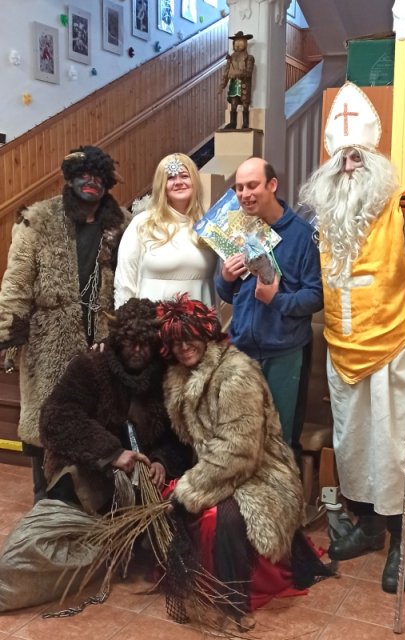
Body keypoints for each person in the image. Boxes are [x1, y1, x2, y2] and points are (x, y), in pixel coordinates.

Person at [299, 82, 405, 593]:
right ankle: (367, 528)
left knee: (396, 450)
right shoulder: (327, 218)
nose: (349, 165)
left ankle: (403, 542)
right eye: (341, 157)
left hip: (396, 348)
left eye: (358, 156)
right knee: (354, 446)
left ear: (375, 159)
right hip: (344, 352)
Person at [0, 298, 190, 613]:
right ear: (117, 338)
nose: (138, 349)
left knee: (97, 557)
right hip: (81, 483)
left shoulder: (165, 379)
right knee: (30, 551)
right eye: (130, 341)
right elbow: (55, 418)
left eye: (145, 342)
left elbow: (177, 438)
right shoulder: (90, 366)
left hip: (127, 504)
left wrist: (161, 461)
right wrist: (112, 453)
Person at [155, 294, 332, 631]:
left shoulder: (236, 373)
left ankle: (234, 605)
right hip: (217, 467)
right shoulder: (178, 377)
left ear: (206, 334)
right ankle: (192, 586)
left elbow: (238, 451)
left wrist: (190, 487)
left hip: (259, 470)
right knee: (174, 506)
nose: (183, 347)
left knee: (227, 518)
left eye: (189, 338)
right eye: (175, 342)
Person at [0, 145, 130, 503]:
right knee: (46, 424)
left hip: (99, 345)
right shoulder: (38, 220)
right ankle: (45, 506)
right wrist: (7, 333)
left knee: (91, 425)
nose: (91, 181)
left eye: (98, 176)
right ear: (69, 178)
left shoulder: (122, 225)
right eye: (83, 174)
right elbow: (17, 283)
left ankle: (85, 508)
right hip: (48, 342)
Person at [215, 157, 323, 449]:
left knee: (279, 442)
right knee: (240, 439)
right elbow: (226, 292)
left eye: (252, 186)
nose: (244, 194)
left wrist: (277, 300)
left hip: (285, 352)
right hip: (242, 351)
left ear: (272, 185)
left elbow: (315, 296)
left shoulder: (302, 236)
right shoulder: (237, 229)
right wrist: (225, 277)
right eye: (239, 188)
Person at [114, 152, 216, 308]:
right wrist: (125, 319)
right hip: (152, 319)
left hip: (200, 319)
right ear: (161, 185)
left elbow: (223, 279)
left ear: (195, 181)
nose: (178, 182)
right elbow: (125, 281)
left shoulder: (209, 227)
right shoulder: (143, 223)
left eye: (184, 176)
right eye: (171, 178)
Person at [218, 31, 255, 130]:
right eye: (236, 42)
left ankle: (245, 123)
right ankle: (232, 123)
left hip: (244, 84)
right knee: (233, 104)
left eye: (240, 42)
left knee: (245, 104)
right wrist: (222, 85)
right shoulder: (231, 58)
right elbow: (226, 72)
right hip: (234, 84)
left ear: (245, 43)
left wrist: (237, 73)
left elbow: (248, 73)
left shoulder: (249, 58)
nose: (238, 45)